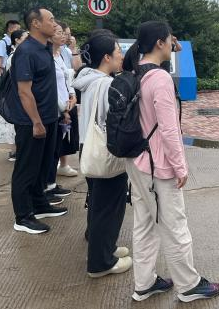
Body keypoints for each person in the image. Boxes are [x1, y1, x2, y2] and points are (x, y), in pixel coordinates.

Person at [123, 21, 219, 303]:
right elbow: (169, 129)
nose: (171, 44)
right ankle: (188, 285)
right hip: (158, 166)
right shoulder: (161, 79)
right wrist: (181, 166)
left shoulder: (135, 71)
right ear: (159, 43)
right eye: (168, 40)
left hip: (136, 161)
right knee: (175, 224)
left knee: (144, 223)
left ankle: (144, 283)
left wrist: (171, 48)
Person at [73, 33, 133, 278]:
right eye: (118, 52)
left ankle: (105, 247)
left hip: (88, 147)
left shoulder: (88, 79)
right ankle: (101, 263)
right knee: (108, 207)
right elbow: (115, 120)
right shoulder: (106, 84)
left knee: (98, 202)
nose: (121, 56)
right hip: (105, 151)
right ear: (107, 57)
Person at [9, 8, 67, 234]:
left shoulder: (44, 48)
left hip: (49, 118)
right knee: (26, 168)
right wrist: (36, 121)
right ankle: (23, 217)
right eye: (50, 20)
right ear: (35, 23)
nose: (54, 23)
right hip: (31, 122)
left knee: (43, 165)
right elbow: (24, 91)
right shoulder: (26, 51)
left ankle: (39, 204)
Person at [44, 25, 77, 204]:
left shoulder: (60, 55)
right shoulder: (46, 57)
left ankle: (51, 184)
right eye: (59, 33)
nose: (63, 36)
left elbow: (66, 79)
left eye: (64, 33)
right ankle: (45, 189)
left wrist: (72, 95)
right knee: (49, 151)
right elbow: (52, 88)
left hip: (64, 107)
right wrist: (64, 110)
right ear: (49, 37)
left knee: (56, 149)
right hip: (54, 110)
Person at [0, 29, 28, 161]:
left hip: (14, 94)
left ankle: (16, 151)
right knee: (13, 125)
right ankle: (16, 151)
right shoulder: (15, 56)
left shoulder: (16, 54)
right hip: (15, 95)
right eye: (25, 37)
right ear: (17, 40)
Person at [55, 21, 80, 176]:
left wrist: (73, 96)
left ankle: (63, 165)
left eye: (69, 34)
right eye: (63, 33)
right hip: (57, 105)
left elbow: (75, 69)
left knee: (65, 135)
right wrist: (63, 109)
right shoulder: (48, 54)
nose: (67, 37)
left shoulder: (63, 52)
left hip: (67, 100)